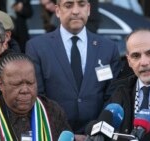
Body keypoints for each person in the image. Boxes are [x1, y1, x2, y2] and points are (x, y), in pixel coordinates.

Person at [25, 0, 121, 137]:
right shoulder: (37, 48)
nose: (76, 11)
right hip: (55, 135)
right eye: (68, 5)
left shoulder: (108, 48)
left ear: (88, 9)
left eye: (81, 4)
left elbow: (112, 96)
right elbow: (38, 97)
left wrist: (97, 132)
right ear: (58, 11)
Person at [0, 51, 71, 141]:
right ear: (1, 84)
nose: (25, 90)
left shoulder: (53, 111)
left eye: (30, 83)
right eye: (17, 84)